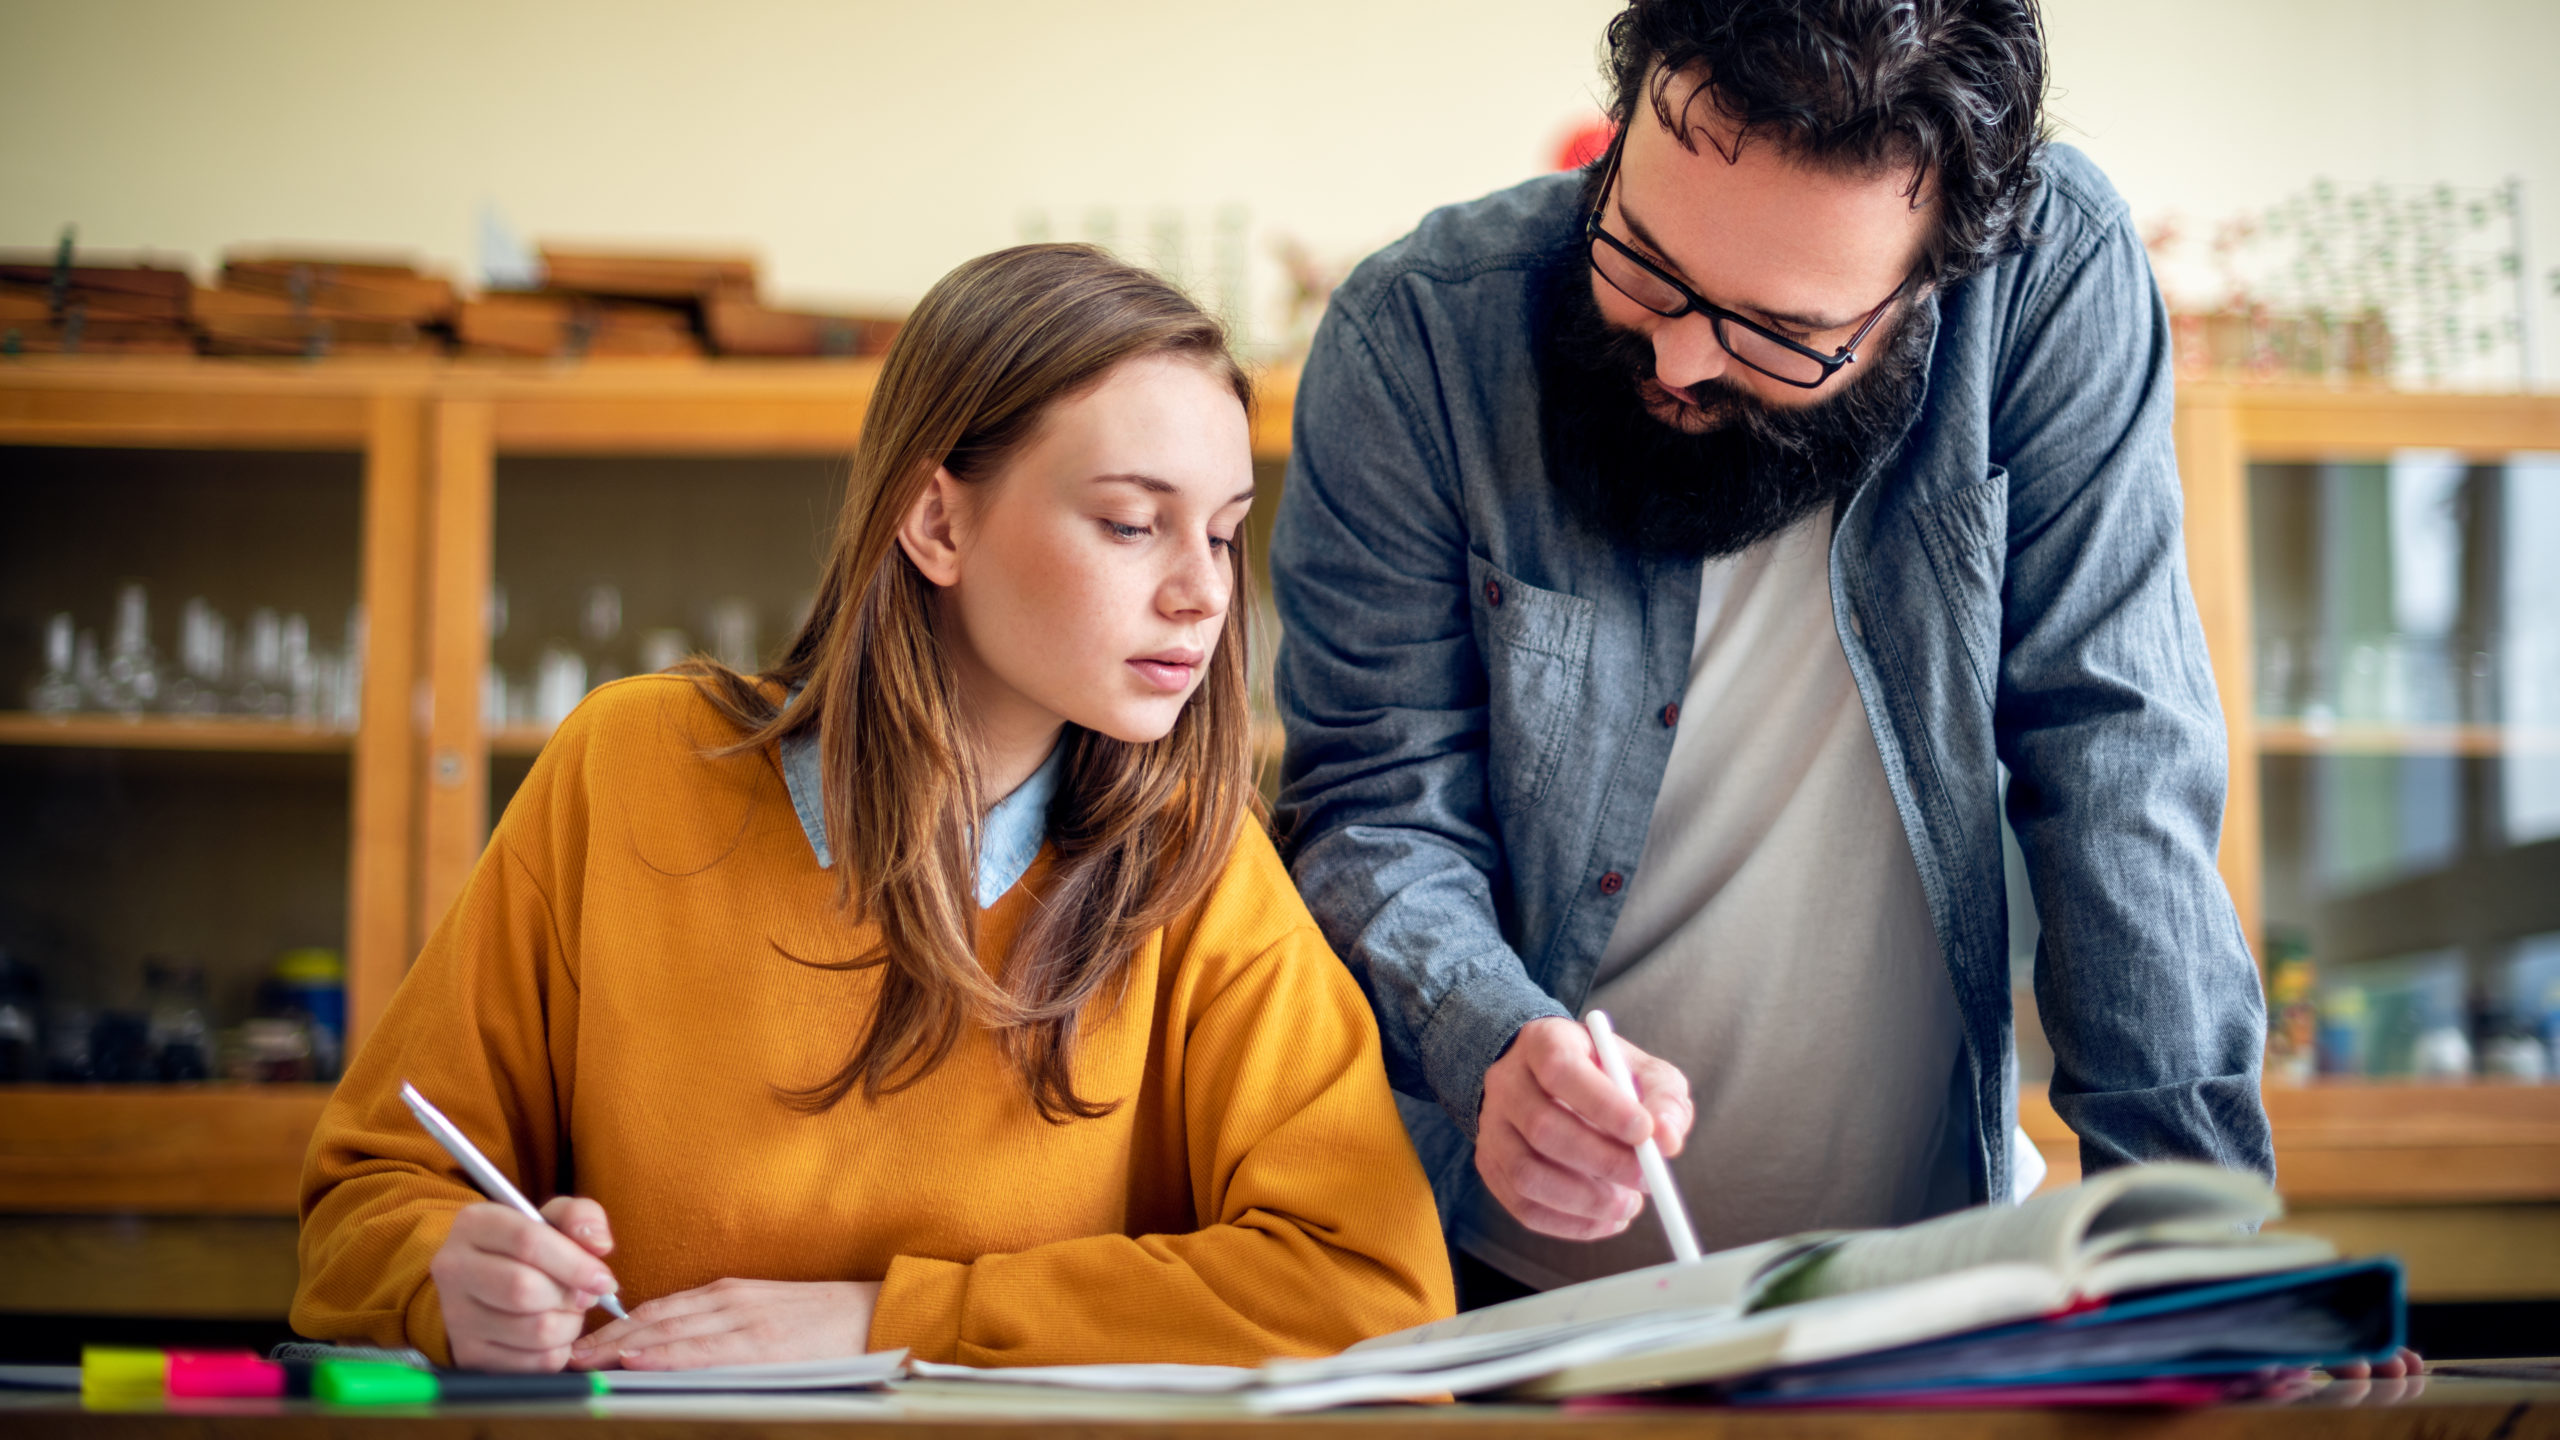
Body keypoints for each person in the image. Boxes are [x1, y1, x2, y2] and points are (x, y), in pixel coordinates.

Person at [1274, 0, 2278, 1304]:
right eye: (1641, 258)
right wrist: (1490, 1042)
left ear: (1934, 277)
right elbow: (1372, 805)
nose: (1679, 355)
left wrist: (2197, 1266)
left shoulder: (2052, 276)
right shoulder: (1417, 339)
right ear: (1625, 116)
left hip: (1930, 1268)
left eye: (1782, 332)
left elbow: (2119, 759)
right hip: (1494, 1277)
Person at [294, 244, 1454, 1372]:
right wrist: (446, 1277)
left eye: (1220, 529)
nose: (1205, 591)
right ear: (937, 523)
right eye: (1129, 523)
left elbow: (1373, 1292)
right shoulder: (629, 767)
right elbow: (363, 1209)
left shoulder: (1195, 865)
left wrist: (885, 1320)